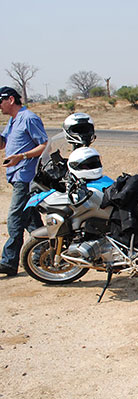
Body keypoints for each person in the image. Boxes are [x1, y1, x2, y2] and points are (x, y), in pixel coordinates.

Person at [0, 86, 48, 277]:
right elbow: (3, 144)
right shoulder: (12, 121)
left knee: (15, 218)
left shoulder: (29, 118)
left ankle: (9, 262)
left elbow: (44, 144)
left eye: (0, 102)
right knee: (30, 219)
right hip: (16, 176)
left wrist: (22, 156)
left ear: (10, 100)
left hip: (26, 177)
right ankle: (42, 253)